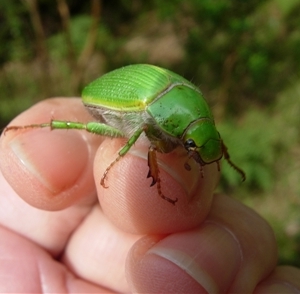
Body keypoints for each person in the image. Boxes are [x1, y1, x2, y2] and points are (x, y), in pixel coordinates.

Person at [0, 97, 299, 293]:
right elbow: (149, 136)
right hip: (122, 103)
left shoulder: (193, 117)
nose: (194, 157)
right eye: (193, 148)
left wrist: (221, 156)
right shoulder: (158, 125)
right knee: (127, 138)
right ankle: (50, 126)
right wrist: (121, 158)